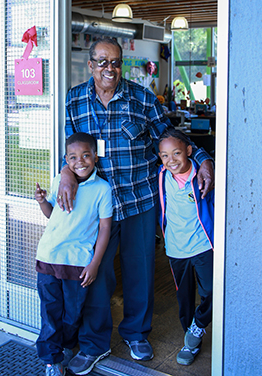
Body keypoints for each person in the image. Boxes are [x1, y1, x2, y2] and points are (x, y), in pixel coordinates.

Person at [57, 37, 215, 375]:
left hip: (139, 200)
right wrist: (64, 172)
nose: (109, 68)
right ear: (90, 64)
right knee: (96, 276)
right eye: (102, 62)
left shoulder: (142, 98)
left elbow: (169, 136)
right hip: (96, 205)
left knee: (140, 272)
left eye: (115, 62)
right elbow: (69, 146)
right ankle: (94, 343)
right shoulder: (74, 101)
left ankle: (136, 333)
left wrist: (201, 158)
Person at [35, 132, 112, 376]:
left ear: (95, 158)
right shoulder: (61, 179)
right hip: (48, 257)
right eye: (73, 157)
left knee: (73, 312)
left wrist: (95, 263)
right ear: (66, 160)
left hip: (78, 262)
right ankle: (51, 360)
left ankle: (67, 346)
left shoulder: (102, 189)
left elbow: (105, 228)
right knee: (50, 311)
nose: (80, 161)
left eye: (86, 155)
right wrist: (41, 202)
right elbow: (52, 215)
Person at [157, 127, 214, 366]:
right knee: (184, 297)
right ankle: (190, 339)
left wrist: (206, 161)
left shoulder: (203, 176)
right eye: (165, 155)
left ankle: (198, 327)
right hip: (176, 248)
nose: (171, 160)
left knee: (212, 291)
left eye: (177, 153)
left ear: (189, 151)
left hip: (203, 245)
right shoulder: (160, 174)